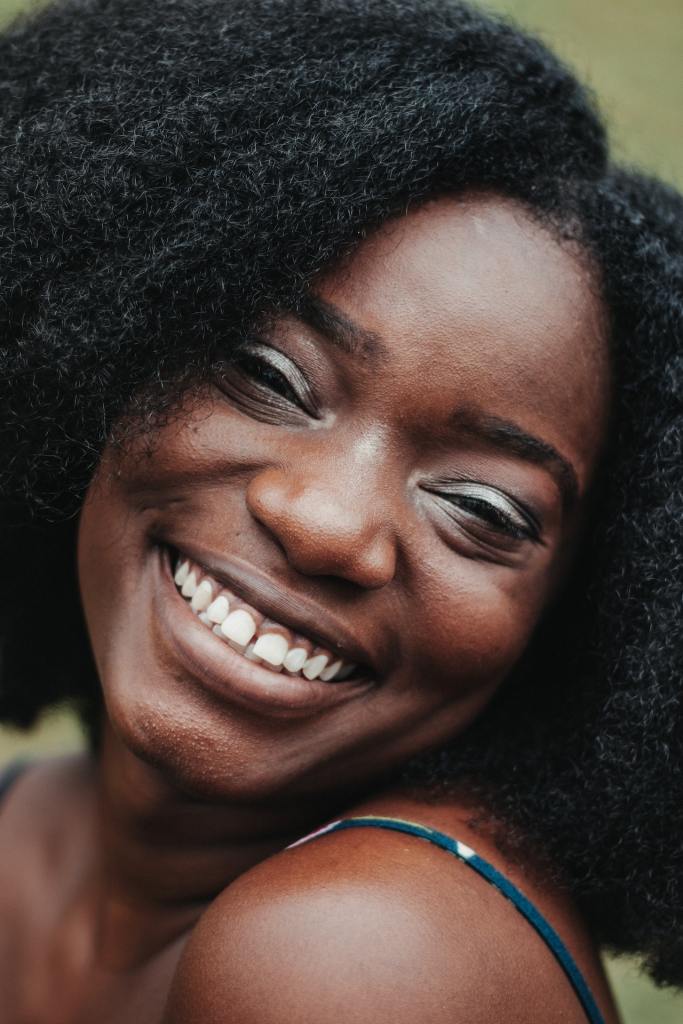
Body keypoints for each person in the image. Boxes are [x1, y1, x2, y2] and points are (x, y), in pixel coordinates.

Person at [0, 0, 680, 1020]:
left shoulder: (360, 956)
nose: (325, 522)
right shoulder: (18, 833)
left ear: (582, 618)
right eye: (269, 376)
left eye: (481, 509)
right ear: (103, 346)